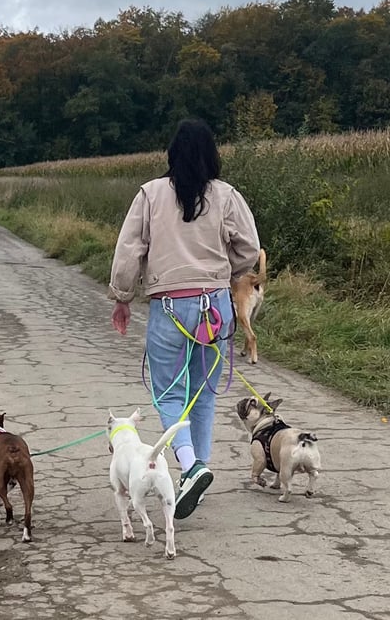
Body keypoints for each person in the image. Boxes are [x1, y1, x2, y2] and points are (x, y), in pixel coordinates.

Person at [108, 118, 260, 520]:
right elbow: (250, 248)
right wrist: (225, 273)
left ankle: (191, 467)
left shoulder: (150, 194)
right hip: (216, 306)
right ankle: (198, 471)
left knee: (170, 394)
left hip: (170, 307)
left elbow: (129, 249)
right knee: (204, 392)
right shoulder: (227, 195)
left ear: (171, 154)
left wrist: (122, 297)